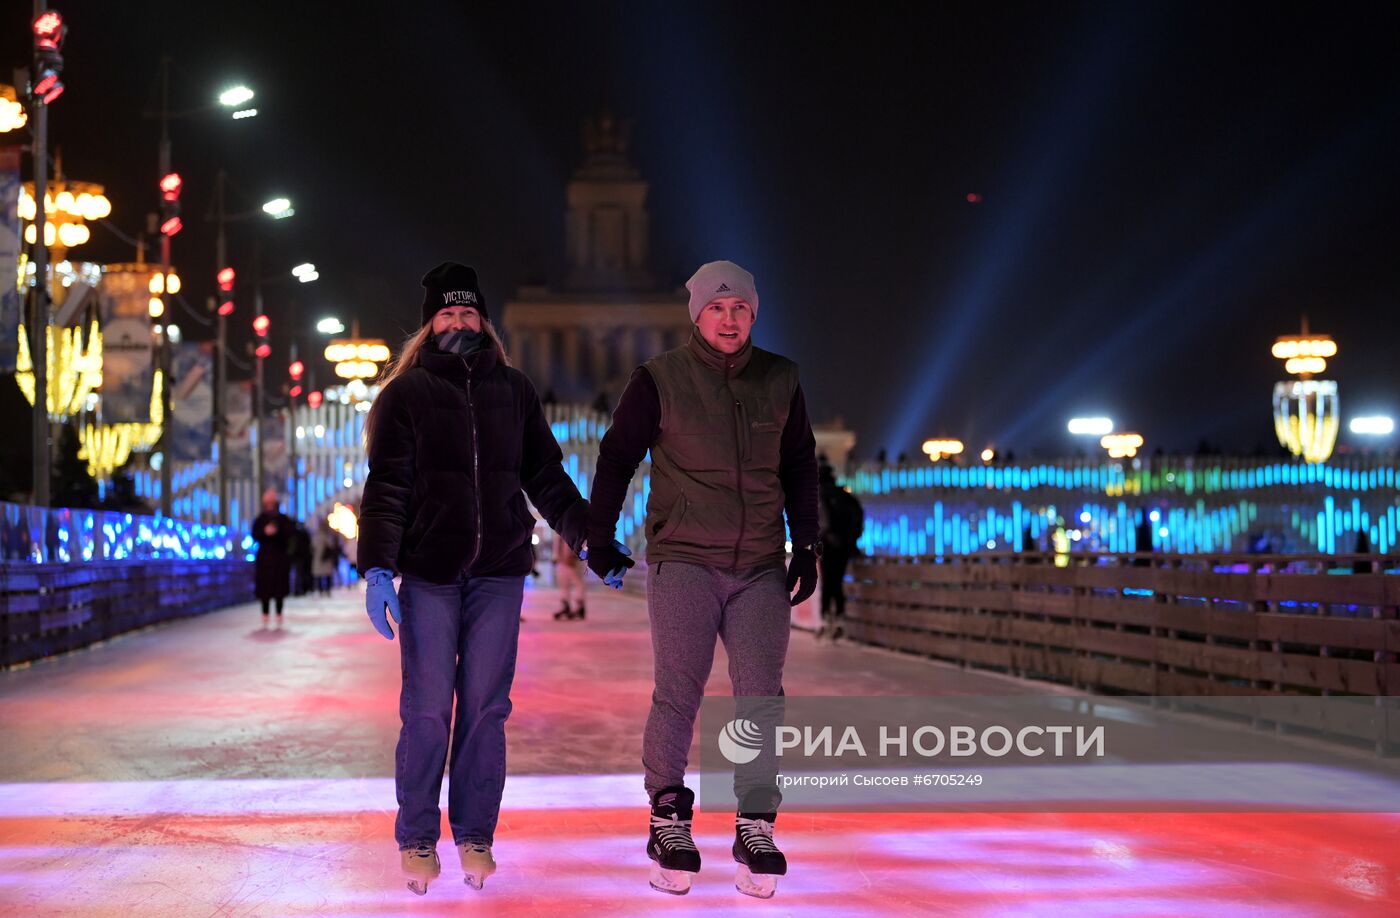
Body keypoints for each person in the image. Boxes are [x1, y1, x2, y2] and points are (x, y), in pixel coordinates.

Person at [358, 262, 608, 896]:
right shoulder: (406, 395)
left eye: (469, 314)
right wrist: (379, 566)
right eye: (448, 314)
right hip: (430, 574)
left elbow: (546, 477)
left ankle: (474, 834)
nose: (459, 323)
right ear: (429, 324)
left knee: (487, 709)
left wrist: (587, 537)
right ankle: (417, 837)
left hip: (498, 571)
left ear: (484, 321)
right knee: (426, 709)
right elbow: (388, 487)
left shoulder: (514, 391)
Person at [585, 260, 820, 899]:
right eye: (717, 308)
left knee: (760, 698)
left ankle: (754, 823)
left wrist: (807, 545)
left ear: (754, 312)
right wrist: (598, 536)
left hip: (761, 565)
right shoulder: (659, 380)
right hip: (685, 557)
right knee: (678, 692)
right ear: (696, 314)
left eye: (740, 307)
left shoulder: (781, 379)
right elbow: (616, 457)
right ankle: (668, 815)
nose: (729, 318)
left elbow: (800, 465)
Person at [817, 461, 864, 640]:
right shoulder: (845, 495)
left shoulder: (819, 493)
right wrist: (851, 542)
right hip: (845, 546)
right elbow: (858, 515)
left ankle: (826, 621)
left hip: (827, 545)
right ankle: (840, 619)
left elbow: (821, 522)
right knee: (837, 581)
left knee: (827, 582)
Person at [251, 489, 294, 620]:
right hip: (264, 558)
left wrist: (277, 532)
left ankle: (279, 612)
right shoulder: (260, 519)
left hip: (279, 557)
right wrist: (265, 532)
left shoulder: (282, 519)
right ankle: (265, 613)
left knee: (279, 586)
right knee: (265, 586)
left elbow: (289, 534)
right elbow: (255, 534)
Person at [551, 531, 587, 620]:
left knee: (578, 584)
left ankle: (579, 607)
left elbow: (581, 542)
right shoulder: (559, 527)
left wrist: (573, 556)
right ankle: (565, 606)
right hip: (562, 561)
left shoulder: (574, 526)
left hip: (572, 561)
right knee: (564, 585)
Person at [310, 522, 340, 596]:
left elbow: (312, 547)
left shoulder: (315, 537)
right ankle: (327, 590)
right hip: (326, 559)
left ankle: (320, 590)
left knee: (319, 575)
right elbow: (331, 546)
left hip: (318, 558)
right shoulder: (327, 536)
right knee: (327, 575)